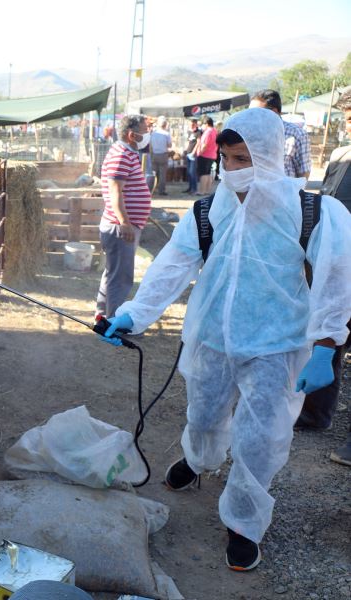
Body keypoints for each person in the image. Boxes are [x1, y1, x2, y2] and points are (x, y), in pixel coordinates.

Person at [99, 108, 351, 570]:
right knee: (203, 414)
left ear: (269, 157)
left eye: (243, 159)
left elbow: (336, 280)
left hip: (276, 344)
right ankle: (198, 461)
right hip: (212, 337)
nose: (232, 169)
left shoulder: (311, 212)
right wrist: (134, 313)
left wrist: (326, 346)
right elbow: (172, 266)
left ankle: (244, 522)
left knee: (261, 438)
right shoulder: (206, 211)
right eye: (227, 159)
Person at [295, 89, 351, 466]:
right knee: (326, 334)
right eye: (348, 117)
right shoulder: (340, 154)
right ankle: (315, 412)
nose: (349, 124)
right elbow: (322, 201)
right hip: (332, 259)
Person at [94, 114, 152, 319]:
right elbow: (115, 191)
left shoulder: (127, 153)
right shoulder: (121, 155)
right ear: (131, 135)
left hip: (122, 225)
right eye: (145, 131)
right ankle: (112, 322)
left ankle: (103, 318)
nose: (147, 135)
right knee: (120, 278)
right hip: (120, 227)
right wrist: (125, 222)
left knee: (113, 274)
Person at [250, 89, 311, 179]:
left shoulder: (297, 134)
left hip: (285, 187)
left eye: (256, 112)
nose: (251, 116)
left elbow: (304, 172)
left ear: (274, 112)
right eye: (249, 112)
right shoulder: (249, 133)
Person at [195, 117, 218, 195]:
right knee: (208, 173)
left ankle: (202, 191)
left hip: (205, 155)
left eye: (203, 124)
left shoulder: (208, 132)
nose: (202, 126)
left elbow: (205, 144)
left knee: (203, 174)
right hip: (212, 154)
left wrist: (200, 153)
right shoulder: (215, 131)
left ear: (207, 124)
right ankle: (207, 190)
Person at [150, 116, 172, 195]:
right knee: (162, 174)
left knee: (153, 173)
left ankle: (151, 189)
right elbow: (169, 145)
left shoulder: (153, 133)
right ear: (165, 124)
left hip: (154, 154)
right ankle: (161, 190)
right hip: (163, 155)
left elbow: (150, 145)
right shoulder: (167, 134)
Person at [183, 119, 201, 194]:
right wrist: (185, 150)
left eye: (193, 124)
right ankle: (190, 187)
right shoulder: (190, 132)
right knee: (188, 172)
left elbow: (198, 143)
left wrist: (194, 152)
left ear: (196, 124)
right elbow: (188, 142)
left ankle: (194, 188)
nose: (191, 126)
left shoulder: (198, 132)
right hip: (188, 153)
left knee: (192, 172)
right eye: (190, 124)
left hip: (193, 154)